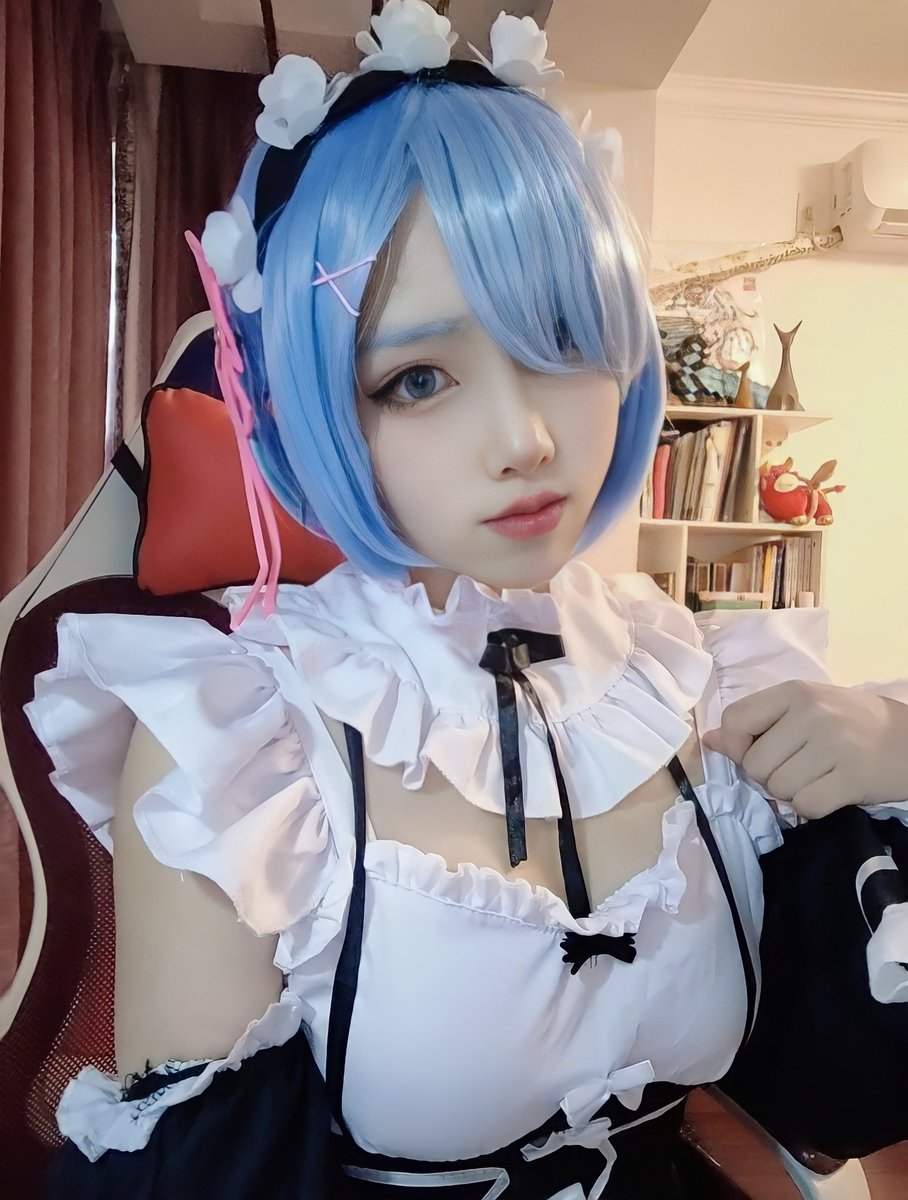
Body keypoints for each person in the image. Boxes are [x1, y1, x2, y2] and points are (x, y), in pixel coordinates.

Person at [23, 3, 908, 1197]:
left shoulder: (695, 672)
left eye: (560, 338)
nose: (524, 438)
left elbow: (842, 1086)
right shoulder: (239, 747)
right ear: (314, 407)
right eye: (417, 378)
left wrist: (893, 754)